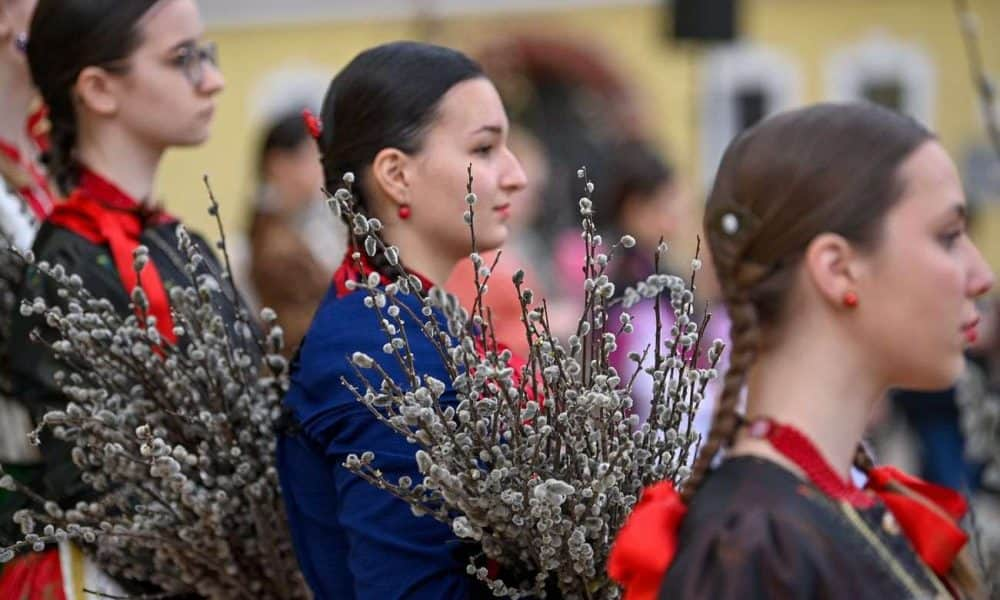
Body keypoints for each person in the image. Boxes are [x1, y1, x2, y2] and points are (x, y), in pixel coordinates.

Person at [609, 103, 992, 599]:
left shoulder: (817, 507)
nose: (981, 276)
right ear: (837, 268)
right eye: (947, 237)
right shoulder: (758, 548)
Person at [276, 41, 526, 599]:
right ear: (395, 174)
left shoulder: (401, 317)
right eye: (485, 149)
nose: (516, 175)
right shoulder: (376, 346)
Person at [1, 0, 226, 592]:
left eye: (207, 56)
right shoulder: (67, 259)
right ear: (98, 89)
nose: (213, 80)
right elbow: (97, 479)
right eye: (183, 59)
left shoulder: (181, 241)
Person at [248, 110, 346, 357]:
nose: (320, 169)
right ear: (279, 163)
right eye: (310, 158)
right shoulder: (271, 240)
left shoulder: (308, 223)